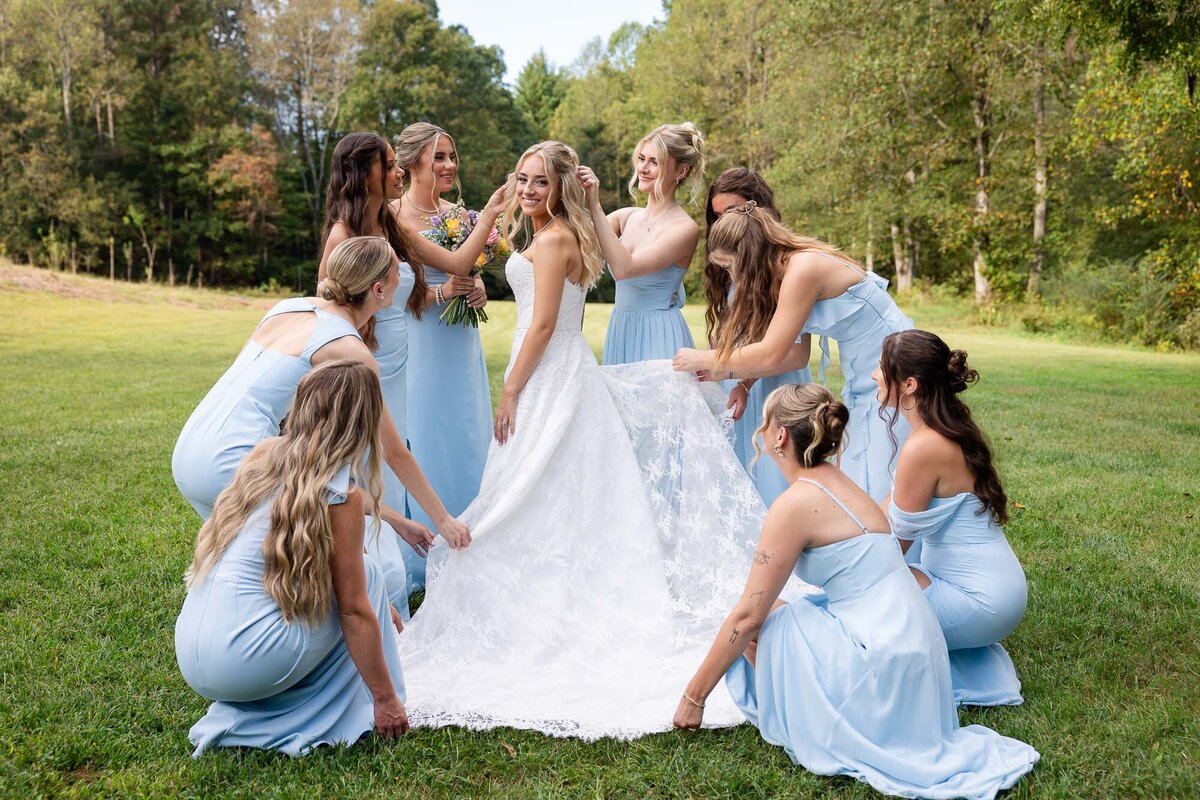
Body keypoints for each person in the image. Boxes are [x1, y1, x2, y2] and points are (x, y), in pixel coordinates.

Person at [398, 142, 768, 740]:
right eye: (522, 179)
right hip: (549, 366)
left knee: (535, 479)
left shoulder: (554, 239)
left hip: (550, 372)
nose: (528, 191)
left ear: (561, 187)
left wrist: (512, 388)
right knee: (535, 482)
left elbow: (544, 324)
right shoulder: (545, 233)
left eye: (540, 182)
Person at [673, 383, 1038, 799]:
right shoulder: (843, 485)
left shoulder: (795, 505)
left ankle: (813, 712)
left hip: (882, 665)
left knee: (760, 617)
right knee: (788, 610)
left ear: (779, 437)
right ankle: (816, 699)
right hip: (920, 662)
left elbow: (747, 616)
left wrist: (694, 697)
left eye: (764, 422)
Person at [171, 237, 470, 612]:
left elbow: (316, 468)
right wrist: (444, 519)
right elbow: (392, 450)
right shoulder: (352, 352)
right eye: (399, 271)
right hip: (234, 461)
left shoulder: (287, 308)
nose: (403, 277)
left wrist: (393, 518)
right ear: (379, 289)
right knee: (325, 576)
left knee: (256, 569)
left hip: (190, 448)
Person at [175, 360, 408, 756]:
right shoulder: (341, 496)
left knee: (361, 588)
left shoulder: (263, 456)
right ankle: (368, 708)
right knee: (365, 578)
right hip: (246, 663)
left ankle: (278, 700)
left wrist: (379, 607)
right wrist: (386, 699)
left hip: (192, 654)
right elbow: (353, 611)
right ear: (361, 424)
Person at [673, 204, 912, 501]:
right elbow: (793, 355)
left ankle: (889, 543)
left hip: (895, 366)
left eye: (729, 266)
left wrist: (703, 358)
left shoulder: (802, 270)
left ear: (748, 257)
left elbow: (771, 353)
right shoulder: (784, 272)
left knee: (882, 472)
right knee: (859, 469)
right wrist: (733, 376)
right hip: (864, 370)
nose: (730, 277)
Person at [876, 329, 1028, 706]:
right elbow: (886, 511)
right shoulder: (946, 429)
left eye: (881, 368)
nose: (874, 376)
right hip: (997, 590)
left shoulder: (924, 446)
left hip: (978, 600)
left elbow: (893, 544)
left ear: (909, 384)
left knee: (865, 599)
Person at [390, 121, 506, 589]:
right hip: (422, 340)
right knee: (428, 432)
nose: (450, 165)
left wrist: (478, 287)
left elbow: (472, 271)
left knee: (469, 429)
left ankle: (473, 537)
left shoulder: (457, 214)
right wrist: (443, 292)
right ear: (413, 160)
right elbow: (397, 292)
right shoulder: (394, 218)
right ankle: (426, 552)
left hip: (460, 343)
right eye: (439, 156)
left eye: (452, 156)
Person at [318, 132, 425, 615]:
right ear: (366, 174)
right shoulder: (343, 236)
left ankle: (392, 578)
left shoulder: (386, 223)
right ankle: (368, 587)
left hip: (401, 364)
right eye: (390, 164)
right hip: (364, 368)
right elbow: (328, 314)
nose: (399, 171)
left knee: (390, 467)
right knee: (372, 464)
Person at [701, 168, 812, 506]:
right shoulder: (732, 261)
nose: (724, 224)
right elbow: (734, 325)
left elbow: (794, 351)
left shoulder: (784, 266)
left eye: (732, 212)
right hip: (737, 382)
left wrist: (740, 379)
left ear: (757, 208)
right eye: (717, 216)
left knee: (774, 477)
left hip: (774, 382)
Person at [576, 123, 703, 364]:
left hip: (659, 335)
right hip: (622, 329)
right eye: (642, 159)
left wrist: (595, 204)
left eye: (655, 162)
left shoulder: (684, 229)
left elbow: (626, 269)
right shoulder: (625, 217)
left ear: (681, 172)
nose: (643, 168)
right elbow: (573, 240)